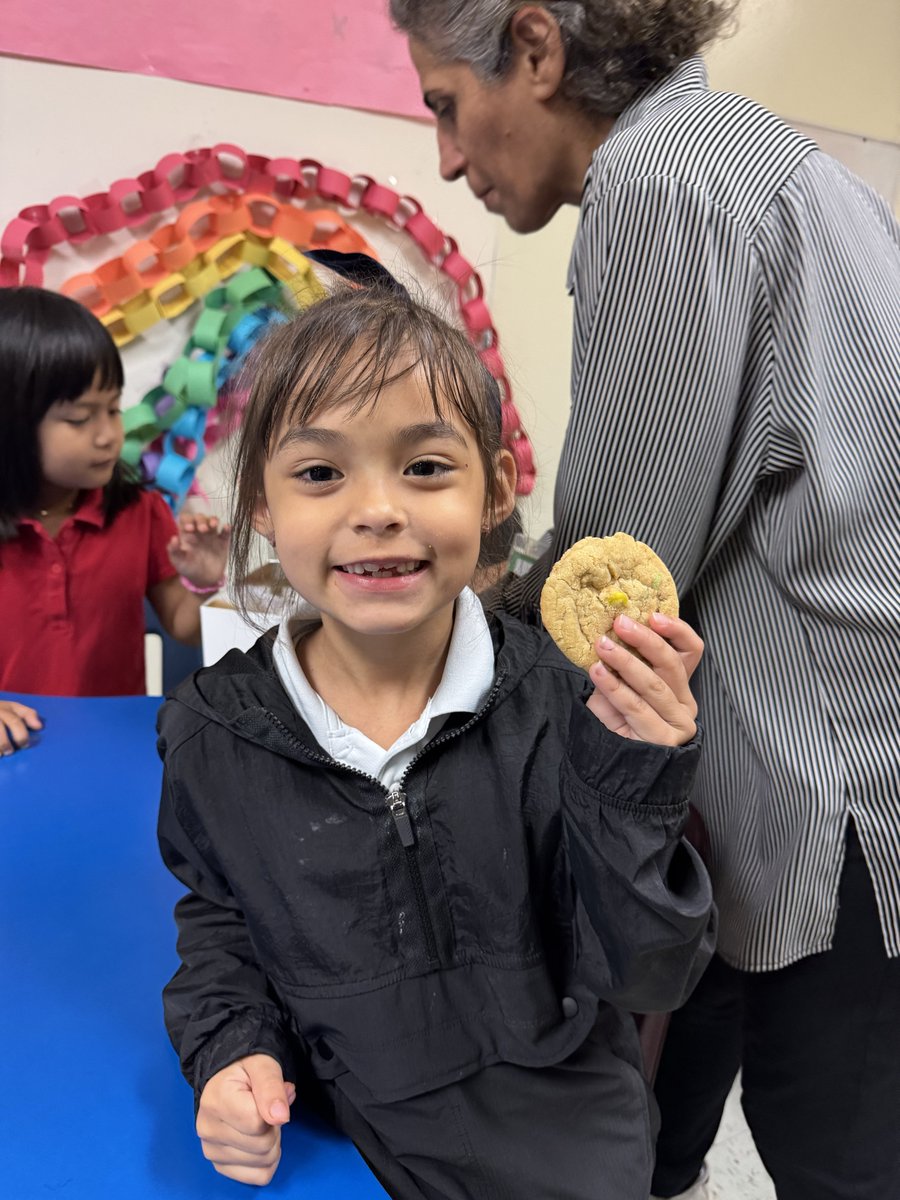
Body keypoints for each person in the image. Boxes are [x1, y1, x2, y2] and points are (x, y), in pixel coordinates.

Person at [389, 2, 900, 1198]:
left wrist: (444, 611)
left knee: (836, 1147)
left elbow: (614, 577)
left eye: (446, 108)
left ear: (536, 47)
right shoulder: (769, 160)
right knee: (689, 1089)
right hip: (795, 770)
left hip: (833, 788)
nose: (449, 158)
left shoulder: (665, 180)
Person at [156, 280, 715, 1200]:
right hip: (350, 1132)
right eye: (320, 473)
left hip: (566, 1134)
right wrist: (231, 1054)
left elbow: (650, 973)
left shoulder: (563, 704)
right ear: (261, 500)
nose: (376, 509)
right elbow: (222, 923)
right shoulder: (216, 733)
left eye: (424, 467)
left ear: (493, 489)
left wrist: (634, 774)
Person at [0, 287, 230, 752]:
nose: (109, 435)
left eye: (112, 408)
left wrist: (205, 583)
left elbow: (183, 626)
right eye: (81, 418)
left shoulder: (138, 511)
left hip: (115, 747)